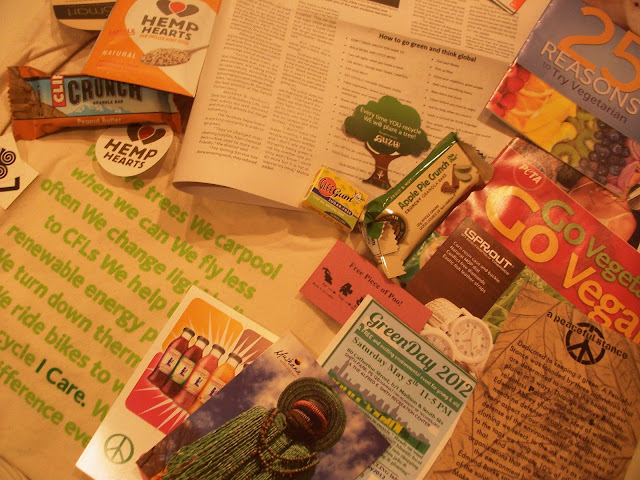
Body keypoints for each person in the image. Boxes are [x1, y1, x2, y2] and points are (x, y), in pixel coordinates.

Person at [150, 377, 347, 480]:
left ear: (318, 430)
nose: (307, 417)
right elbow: (214, 442)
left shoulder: (305, 462)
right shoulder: (261, 416)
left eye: (314, 418)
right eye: (305, 410)